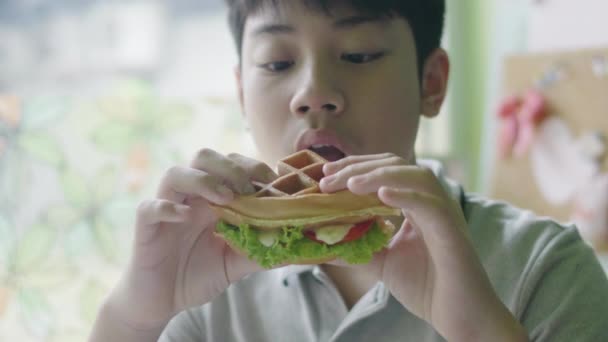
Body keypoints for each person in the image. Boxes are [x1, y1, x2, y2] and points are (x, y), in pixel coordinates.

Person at [89, 1, 608, 341]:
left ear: (431, 82)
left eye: (358, 54)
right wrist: (135, 314)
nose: (313, 94)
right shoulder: (203, 284)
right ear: (242, 95)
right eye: (276, 63)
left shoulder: (546, 268)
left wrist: (480, 330)